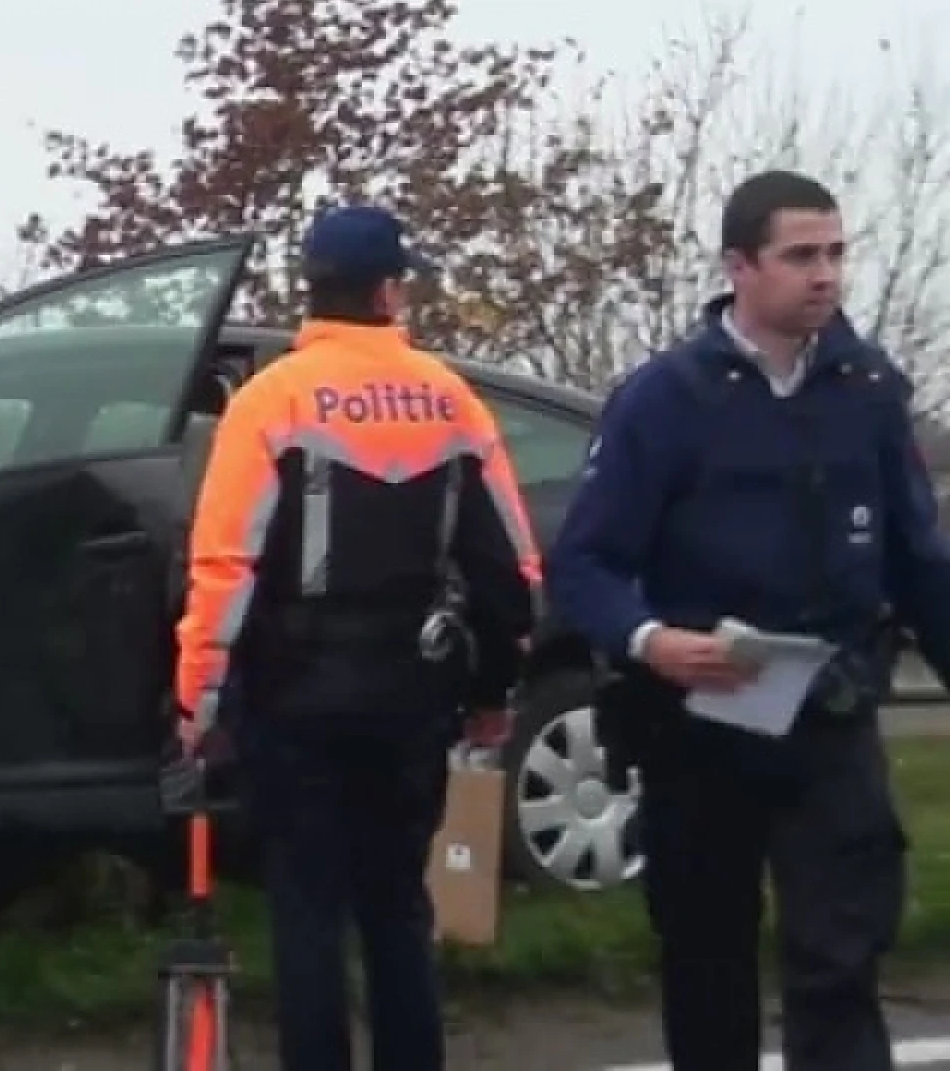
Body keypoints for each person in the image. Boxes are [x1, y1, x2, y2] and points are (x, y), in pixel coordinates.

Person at [545, 169, 950, 1071]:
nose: (826, 275)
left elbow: (920, 559)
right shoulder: (665, 399)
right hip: (700, 721)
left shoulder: (867, 389)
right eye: (801, 255)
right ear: (740, 267)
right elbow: (586, 563)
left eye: (837, 253)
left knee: (840, 954)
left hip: (830, 712)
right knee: (706, 958)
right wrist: (651, 641)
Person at [170, 203, 540, 1071]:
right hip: (412, 691)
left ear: (313, 290)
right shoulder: (450, 399)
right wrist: (494, 693)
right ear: (388, 290)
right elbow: (510, 567)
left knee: (308, 907)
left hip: (296, 692)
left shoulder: (270, 400)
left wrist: (199, 698)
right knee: (397, 904)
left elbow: (224, 565)